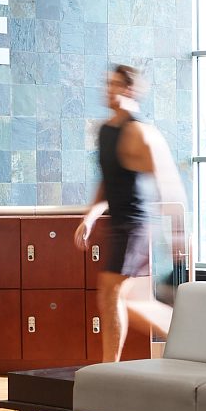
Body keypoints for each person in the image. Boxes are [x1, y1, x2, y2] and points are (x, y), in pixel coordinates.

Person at [76, 64, 189, 363]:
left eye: (115, 84)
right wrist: (90, 217)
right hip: (118, 226)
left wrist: (177, 239)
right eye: (107, 84)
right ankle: (193, 340)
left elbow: (169, 185)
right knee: (135, 302)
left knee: (109, 293)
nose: (108, 90)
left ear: (130, 89)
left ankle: (108, 370)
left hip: (135, 226)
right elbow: (107, 182)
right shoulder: (105, 131)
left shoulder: (141, 133)